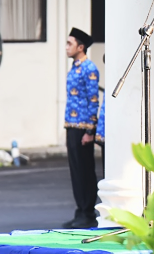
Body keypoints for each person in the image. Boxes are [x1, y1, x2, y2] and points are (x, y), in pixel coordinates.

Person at [62, 28, 100, 229]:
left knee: (86, 170)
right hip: (71, 124)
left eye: (70, 43)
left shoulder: (89, 68)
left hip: (84, 127)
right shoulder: (75, 67)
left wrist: (90, 131)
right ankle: (80, 210)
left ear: (81, 47)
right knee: (76, 170)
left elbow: (93, 100)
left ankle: (88, 211)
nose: (67, 47)